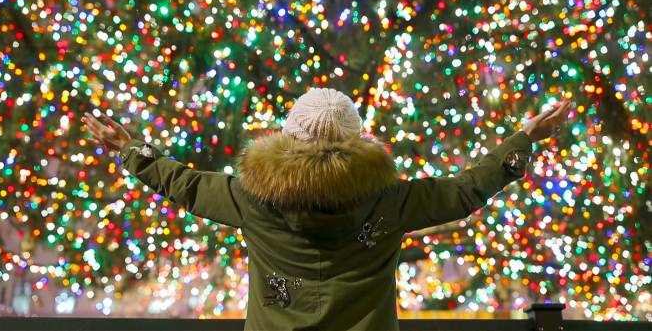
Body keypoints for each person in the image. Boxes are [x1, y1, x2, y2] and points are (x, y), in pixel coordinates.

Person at [82, 88, 571, 331]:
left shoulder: (251, 198)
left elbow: (181, 184)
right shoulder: (389, 201)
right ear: (357, 140)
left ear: (288, 134)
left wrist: (131, 149)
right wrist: (523, 139)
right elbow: (466, 190)